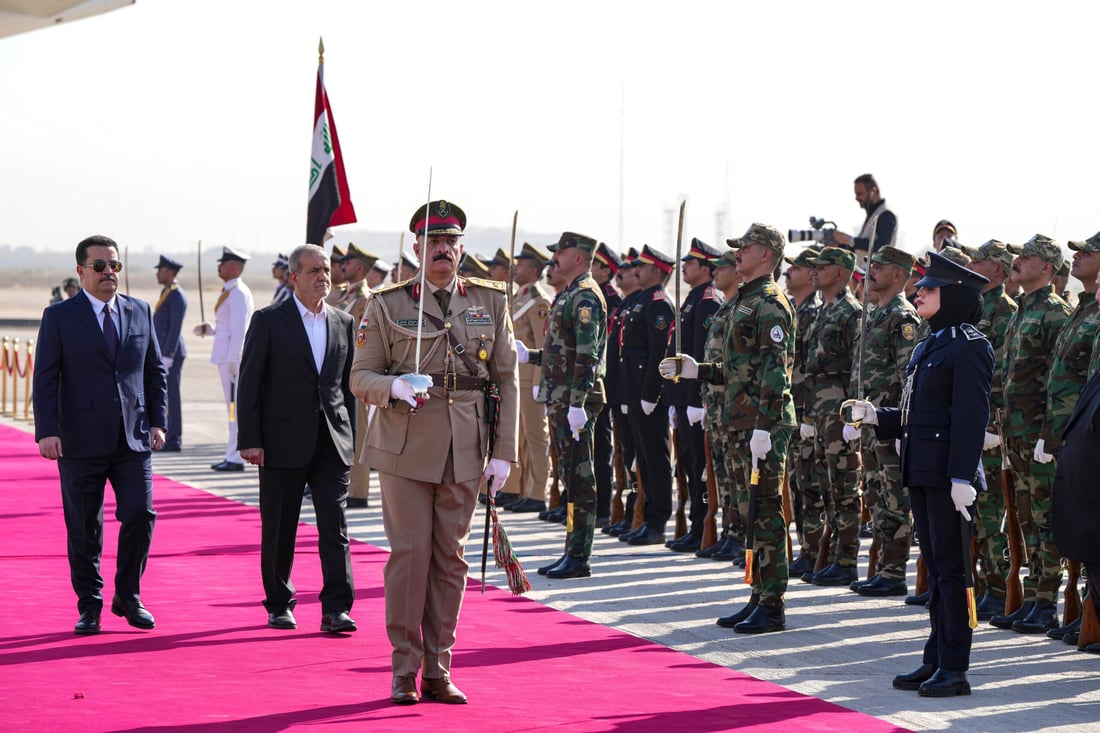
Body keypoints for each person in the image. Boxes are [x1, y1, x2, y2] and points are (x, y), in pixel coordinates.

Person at [350, 199, 518, 706]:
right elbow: (360, 375)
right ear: (417, 248)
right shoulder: (386, 303)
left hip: (466, 444)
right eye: (433, 242)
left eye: (451, 242)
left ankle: (438, 668)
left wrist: (504, 451)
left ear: (462, 249)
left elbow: (507, 379)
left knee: (451, 560)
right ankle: (404, 668)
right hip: (404, 443)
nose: (442, 250)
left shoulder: (491, 301)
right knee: (410, 556)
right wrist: (394, 386)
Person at [850, 251, 993, 697]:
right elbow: (917, 414)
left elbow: (971, 417)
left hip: (949, 478)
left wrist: (962, 476)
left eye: (929, 289)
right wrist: (877, 415)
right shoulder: (930, 344)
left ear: (952, 296)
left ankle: (955, 666)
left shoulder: (970, 345)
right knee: (936, 568)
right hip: (923, 471)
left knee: (953, 572)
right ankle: (935, 658)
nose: (919, 293)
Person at [660, 223, 797, 633]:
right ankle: (757, 594)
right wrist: (696, 370)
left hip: (760, 423)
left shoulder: (770, 302)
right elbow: (737, 369)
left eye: (746, 248)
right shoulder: (744, 301)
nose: (738, 253)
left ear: (767, 255)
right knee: (747, 511)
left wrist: (766, 426)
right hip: (736, 420)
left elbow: (776, 371)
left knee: (766, 512)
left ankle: (772, 603)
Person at [33, 234, 168, 635]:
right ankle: (89, 604)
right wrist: (47, 432)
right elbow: (45, 378)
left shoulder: (139, 310)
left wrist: (158, 421)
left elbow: (154, 372)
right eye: (100, 266)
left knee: (141, 515)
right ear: (81, 271)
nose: (109, 273)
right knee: (85, 527)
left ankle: (128, 594)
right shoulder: (60, 316)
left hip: (133, 437)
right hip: (79, 440)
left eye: (114, 266)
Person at [236, 244, 358, 633]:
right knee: (280, 525)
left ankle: (336, 608)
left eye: (326, 270)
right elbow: (250, 383)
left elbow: (346, 388)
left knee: (334, 527)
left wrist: (349, 439)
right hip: (281, 441)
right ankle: (278, 603)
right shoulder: (269, 320)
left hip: (330, 443)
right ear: (293, 277)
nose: (323, 276)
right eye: (313, 271)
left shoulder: (343, 321)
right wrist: (250, 439)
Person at [991, 235, 1071, 634]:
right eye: (1018, 255)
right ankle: (1032, 598)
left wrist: (1048, 435)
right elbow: (1007, 375)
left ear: (1047, 267)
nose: (1017, 260)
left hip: (1040, 434)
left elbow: (1059, 381)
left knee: (1044, 518)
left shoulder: (1055, 313)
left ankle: (1046, 601)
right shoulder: (1023, 309)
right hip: (1016, 431)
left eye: (1027, 257)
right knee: (1023, 517)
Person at [518, 232, 607, 578]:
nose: (554, 259)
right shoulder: (569, 293)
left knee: (580, 479)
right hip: (562, 396)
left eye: (561, 253)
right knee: (570, 477)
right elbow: (564, 352)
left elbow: (587, 355)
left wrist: (578, 402)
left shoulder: (584, 295)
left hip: (575, 399)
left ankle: (579, 556)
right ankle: (571, 550)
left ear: (580, 258)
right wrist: (533, 356)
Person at [846, 246, 922, 597]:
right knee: (876, 496)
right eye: (871, 265)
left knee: (894, 498)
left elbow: (908, 378)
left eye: (880, 267)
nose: (871, 271)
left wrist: (902, 426)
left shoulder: (902, 317)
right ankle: (882, 568)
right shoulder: (874, 314)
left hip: (888, 423)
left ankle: (893, 571)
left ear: (899, 275)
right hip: (869, 424)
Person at [803, 246, 863, 585]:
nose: (814, 271)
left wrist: (852, 416)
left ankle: (846, 559)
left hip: (840, 411)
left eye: (821, 267)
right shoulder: (823, 311)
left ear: (839, 273)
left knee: (844, 486)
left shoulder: (850, 312)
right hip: (820, 410)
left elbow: (857, 366)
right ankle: (831, 556)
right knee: (826, 485)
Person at [966, 240, 1019, 620]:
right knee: (978, 511)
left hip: (995, 425)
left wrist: (994, 424)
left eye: (980, 261)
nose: (972, 264)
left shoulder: (1005, 310)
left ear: (998, 269)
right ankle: (987, 585)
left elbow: (1004, 374)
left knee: (995, 513)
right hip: (975, 421)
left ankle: (1002, 588)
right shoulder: (978, 306)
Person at [666, 238, 723, 553]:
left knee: (701, 468)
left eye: (690, 263)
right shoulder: (692, 299)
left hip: (695, 399)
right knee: (687, 463)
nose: (684, 267)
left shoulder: (708, 301)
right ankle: (694, 523)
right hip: (683, 397)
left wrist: (696, 400)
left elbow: (703, 355)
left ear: (706, 268)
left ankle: (704, 522)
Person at [618, 244, 677, 545]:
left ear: (656, 271)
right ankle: (646, 515)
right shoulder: (642, 301)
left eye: (641, 266)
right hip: (634, 391)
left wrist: (650, 394)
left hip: (648, 394)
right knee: (642, 458)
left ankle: (657, 520)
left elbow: (659, 354)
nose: (634, 270)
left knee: (655, 458)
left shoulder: (658, 304)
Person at [501, 242, 554, 513]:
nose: (514, 268)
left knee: (535, 437)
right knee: (516, 437)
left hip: (529, 380)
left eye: (520, 265)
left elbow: (542, 346)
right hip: (515, 380)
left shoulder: (539, 302)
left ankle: (537, 492)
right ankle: (515, 488)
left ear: (533, 270)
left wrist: (538, 383)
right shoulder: (518, 298)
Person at [194, 246, 254, 472]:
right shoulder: (230, 289)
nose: (219, 266)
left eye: (223, 263)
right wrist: (210, 330)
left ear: (234, 267)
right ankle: (232, 454)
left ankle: (235, 457)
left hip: (233, 359)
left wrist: (234, 358)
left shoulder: (237, 291)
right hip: (227, 356)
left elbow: (240, 329)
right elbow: (228, 326)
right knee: (232, 409)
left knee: (234, 410)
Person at [783, 247, 821, 575]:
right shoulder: (797, 310)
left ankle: (815, 552)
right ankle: (808, 551)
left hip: (808, 410)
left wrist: (808, 415)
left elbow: (811, 368)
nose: (788, 273)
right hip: (795, 410)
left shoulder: (813, 312)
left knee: (811, 485)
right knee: (798, 483)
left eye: (795, 268)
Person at [338, 243, 380, 509]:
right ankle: (345, 485)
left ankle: (358, 491)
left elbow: (363, 340)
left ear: (361, 267)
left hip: (355, 371)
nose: (344, 264)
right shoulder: (344, 296)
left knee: (358, 432)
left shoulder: (365, 299)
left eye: (349, 261)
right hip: (340, 372)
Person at [591, 242, 623, 525]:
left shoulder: (612, 301)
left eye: (594, 264)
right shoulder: (592, 296)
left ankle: (603, 507)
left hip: (604, 384)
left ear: (605, 270)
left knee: (602, 449)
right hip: (591, 383)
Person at [153, 254, 188, 452]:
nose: (158, 273)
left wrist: (168, 355)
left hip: (171, 354)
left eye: (161, 269)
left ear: (171, 272)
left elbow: (175, 328)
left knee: (172, 397)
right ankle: (168, 435)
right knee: (164, 397)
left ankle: (174, 439)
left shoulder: (176, 294)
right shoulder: (167, 292)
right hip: (164, 353)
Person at [830, 173, 898, 261]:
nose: (856, 198)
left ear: (873, 191)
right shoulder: (874, 213)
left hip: (874, 273)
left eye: (860, 194)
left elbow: (883, 246)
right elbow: (860, 250)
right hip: (866, 272)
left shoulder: (886, 214)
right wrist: (839, 245)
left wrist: (851, 240)